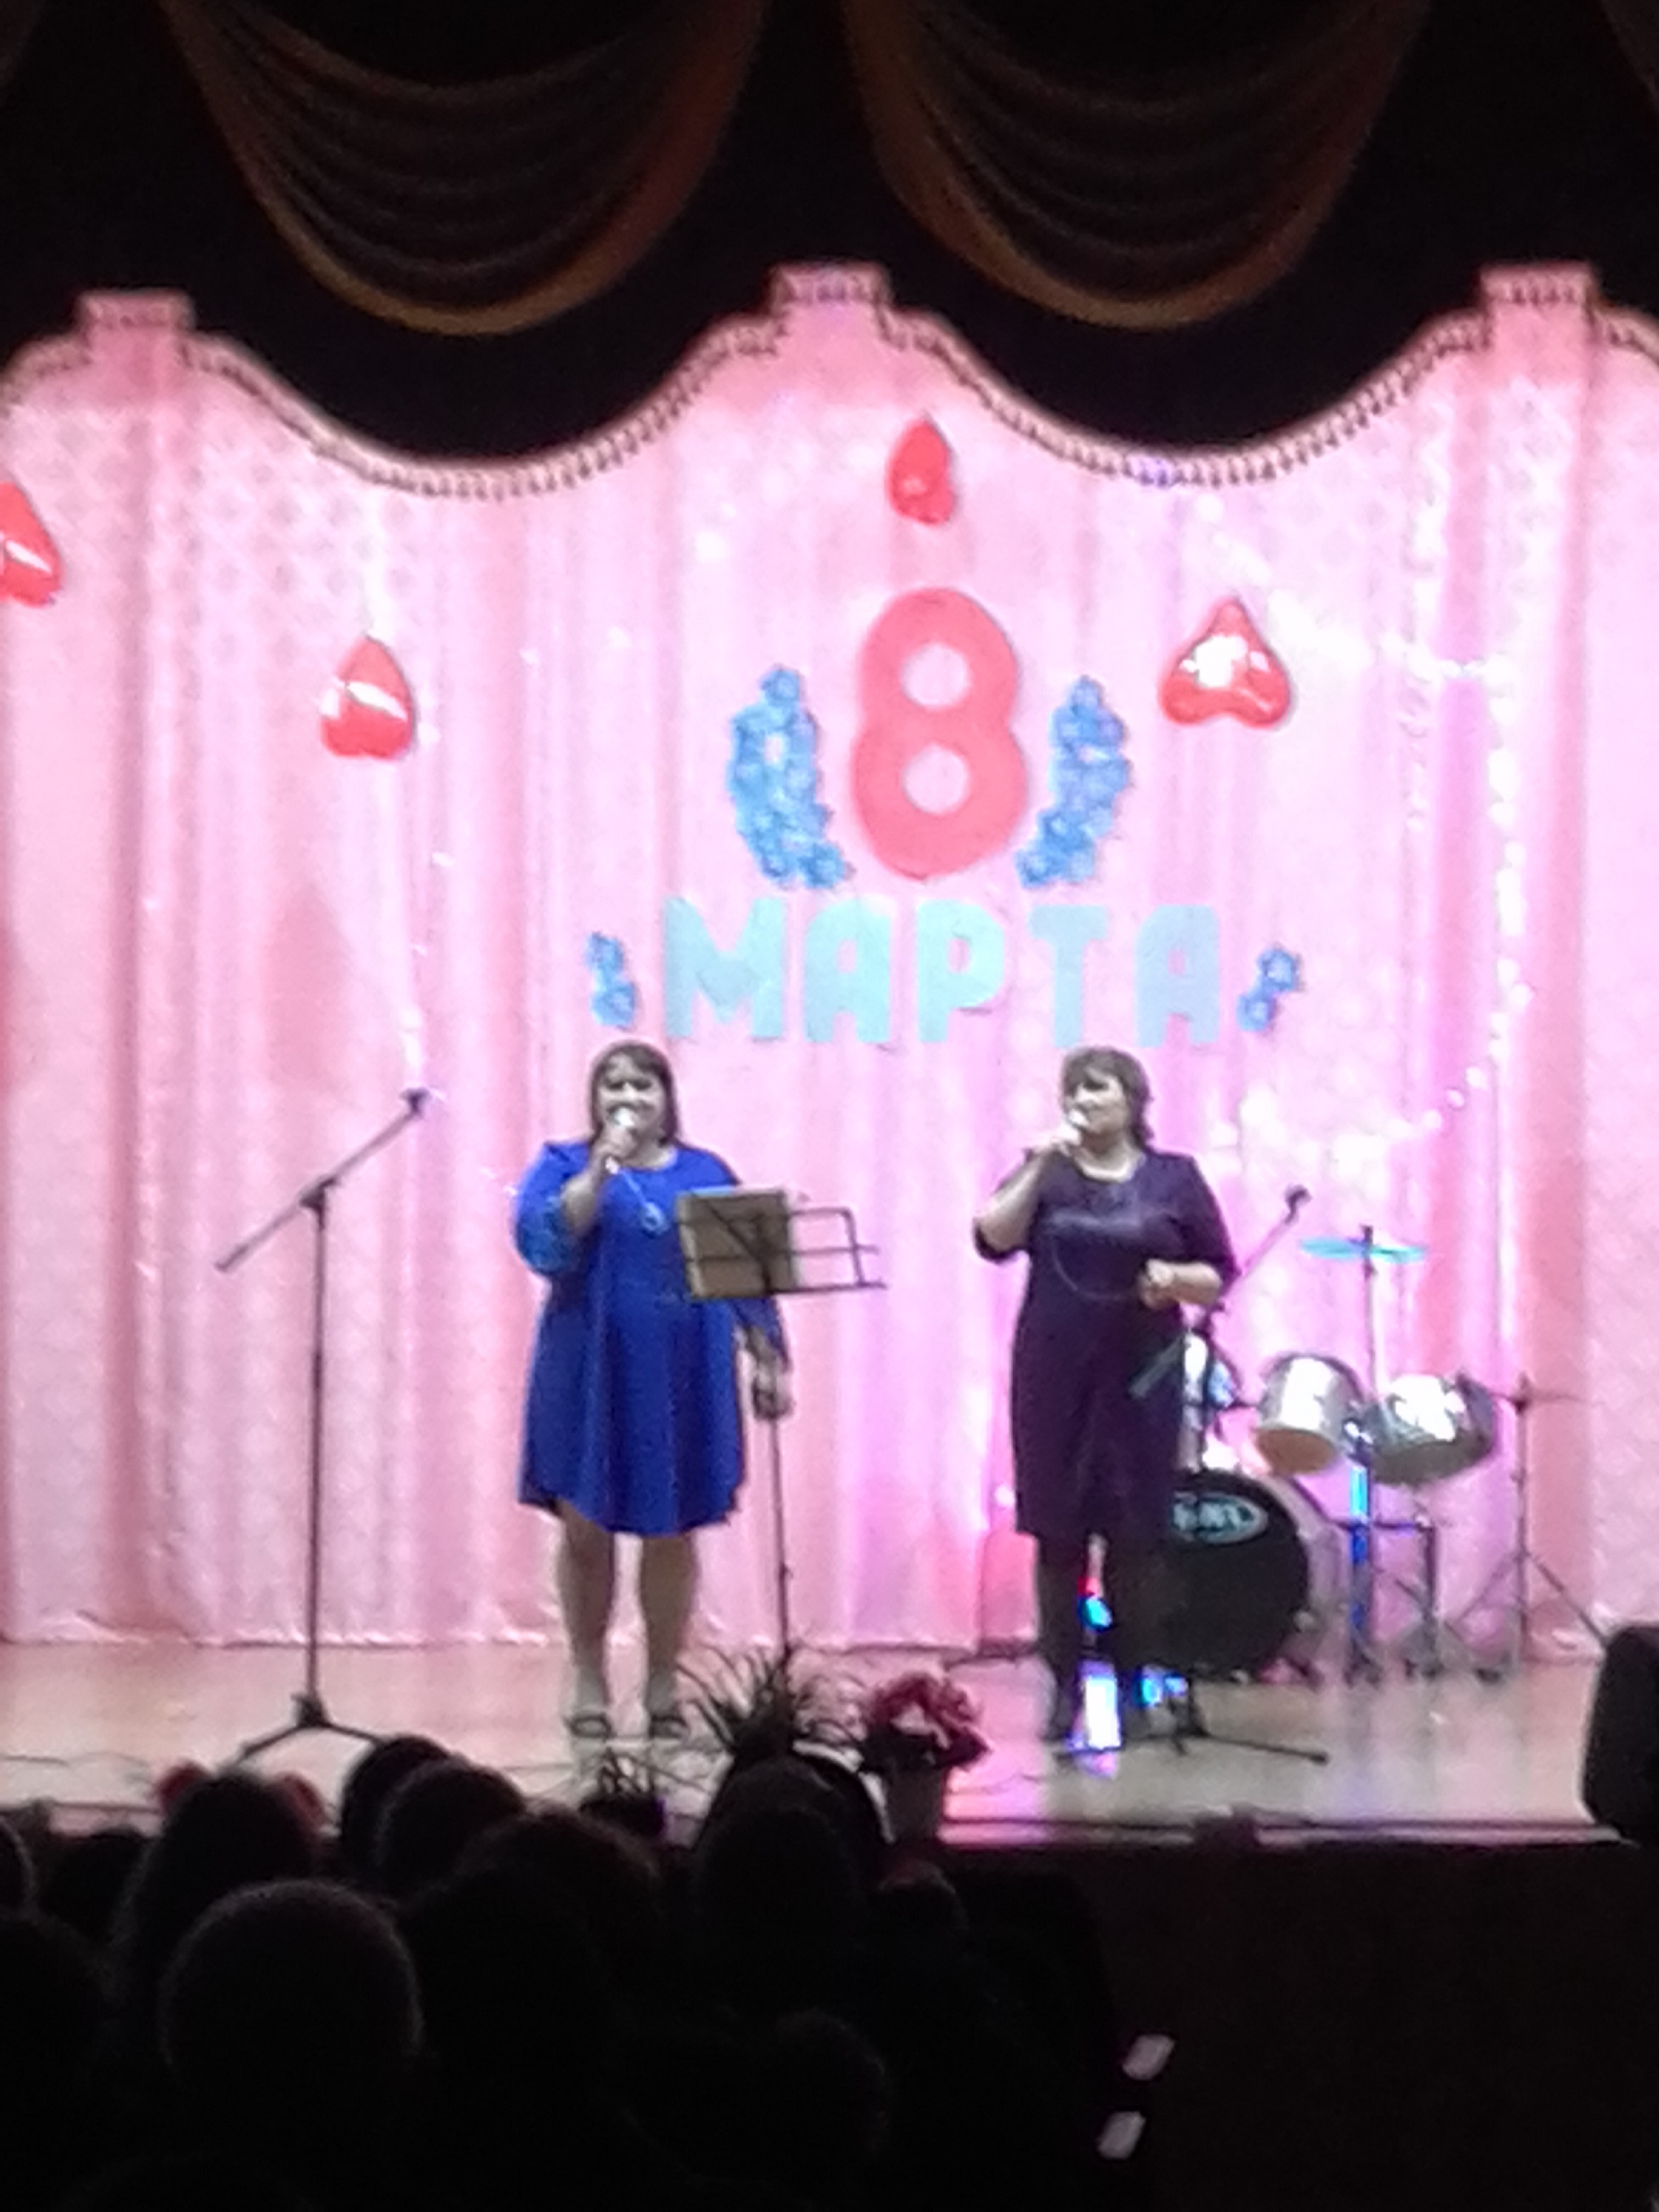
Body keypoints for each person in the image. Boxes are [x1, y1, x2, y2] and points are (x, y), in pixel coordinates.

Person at [514, 1041, 791, 1740]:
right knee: (585, 1527)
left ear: (668, 1098)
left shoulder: (706, 1173)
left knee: (672, 1528)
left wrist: (768, 1360)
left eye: (643, 1085)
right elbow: (546, 1244)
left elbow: (747, 1281)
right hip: (588, 1367)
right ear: (595, 1099)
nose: (628, 1097)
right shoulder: (563, 1164)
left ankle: (664, 1679)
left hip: (683, 1370)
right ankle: (588, 1675)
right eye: (613, 1085)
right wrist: (600, 1168)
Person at [974, 1046, 1235, 1744]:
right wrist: (1037, 1164)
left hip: (1142, 1372)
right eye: (1074, 1091)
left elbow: (1219, 1272)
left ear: (1133, 1101)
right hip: (1054, 1372)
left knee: (1135, 1537)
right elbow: (991, 1237)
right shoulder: (1048, 1174)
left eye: (1097, 1089)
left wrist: (1176, 1280)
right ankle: (1063, 1690)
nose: (1082, 1102)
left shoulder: (1175, 1177)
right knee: (1057, 1533)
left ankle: (1131, 1690)